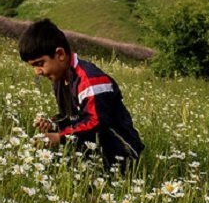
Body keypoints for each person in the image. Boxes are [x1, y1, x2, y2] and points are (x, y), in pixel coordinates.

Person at [19, 19, 144, 172]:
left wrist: (60, 137)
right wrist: (53, 125)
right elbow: (74, 117)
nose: (37, 72)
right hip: (95, 151)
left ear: (60, 54)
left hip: (121, 152)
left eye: (40, 64)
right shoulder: (61, 78)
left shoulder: (89, 79)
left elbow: (96, 122)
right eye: (33, 66)